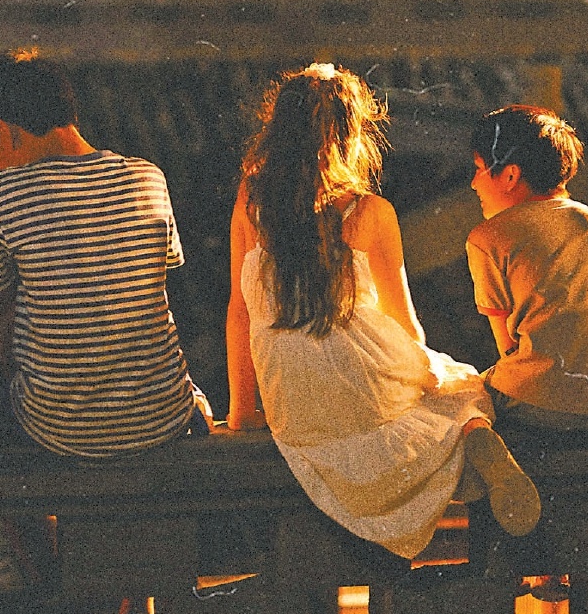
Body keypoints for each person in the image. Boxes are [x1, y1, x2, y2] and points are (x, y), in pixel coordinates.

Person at [226, 62, 541, 561]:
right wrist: (427, 371)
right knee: (461, 389)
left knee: (368, 427)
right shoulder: (370, 211)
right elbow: (403, 321)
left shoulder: (252, 200)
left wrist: (243, 411)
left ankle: (463, 448)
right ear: (352, 136)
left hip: (293, 396)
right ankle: (472, 437)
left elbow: (239, 314)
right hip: (365, 374)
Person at [0, 50, 208, 458]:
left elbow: (1, 314)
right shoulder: (148, 177)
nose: (0, 164)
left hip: (57, 429)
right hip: (162, 417)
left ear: (5, 131)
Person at [465, 105, 588, 432]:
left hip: (543, 408)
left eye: (479, 169)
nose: (473, 183)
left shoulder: (487, 237)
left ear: (510, 175)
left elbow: (507, 347)